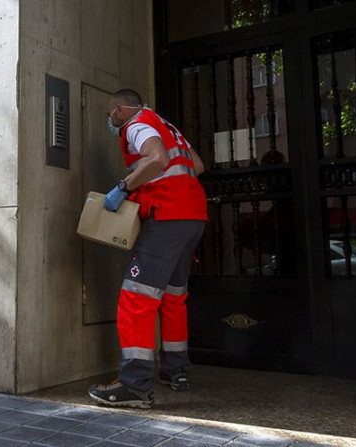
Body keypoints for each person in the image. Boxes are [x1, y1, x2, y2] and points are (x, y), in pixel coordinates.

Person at [87, 89, 208, 409]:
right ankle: (176, 371)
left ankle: (134, 386)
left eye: (110, 114)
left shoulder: (137, 125)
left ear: (121, 110)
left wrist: (125, 187)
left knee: (136, 298)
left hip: (167, 218)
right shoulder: (168, 127)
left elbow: (157, 159)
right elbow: (197, 165)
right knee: (173, 296)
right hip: (193, 217)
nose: (110, 121)